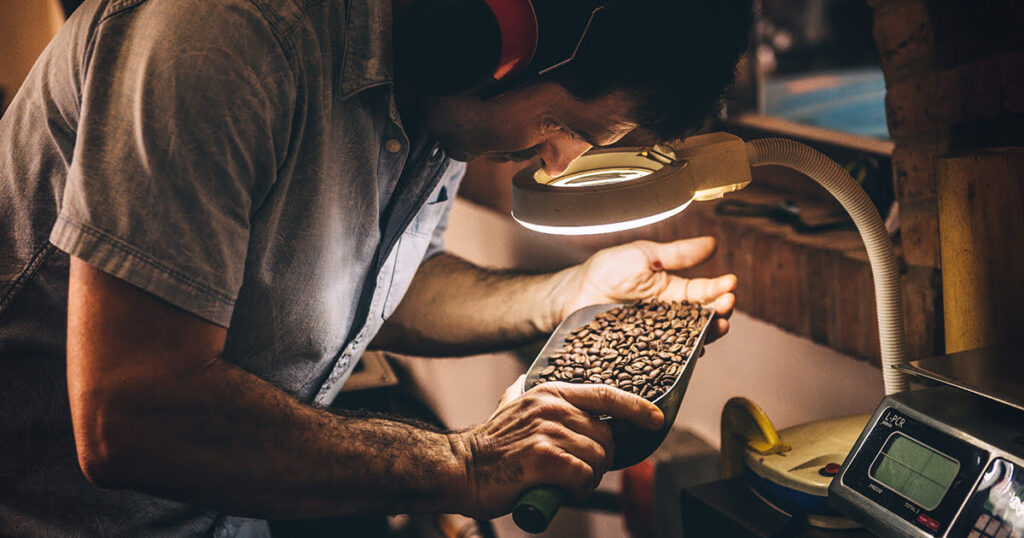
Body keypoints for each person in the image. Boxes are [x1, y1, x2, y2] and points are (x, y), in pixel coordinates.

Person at [0, 0, 751, 535]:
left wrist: (569, 293)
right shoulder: (220, 32)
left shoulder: (437, 92)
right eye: (565, 126)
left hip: (225, 509)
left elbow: (382, 291)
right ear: (501, 28)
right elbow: (133, 414)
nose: (559, 159)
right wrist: (462, 463)